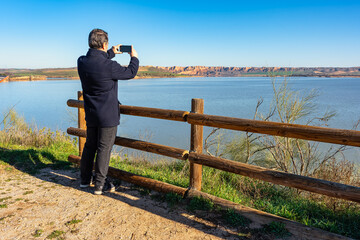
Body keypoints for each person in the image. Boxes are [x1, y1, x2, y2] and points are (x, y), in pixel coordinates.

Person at [77, 28, 139, 195]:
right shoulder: (109, 66)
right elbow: (130, 72)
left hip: (91, 113)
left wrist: (110, 52)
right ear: (104, 44)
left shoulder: (81, 62)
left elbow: (96, 62)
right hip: (107, 116)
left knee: (90, 146)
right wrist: (134, 57)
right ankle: (99, 185)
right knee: (104, 148)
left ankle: (84, 180)